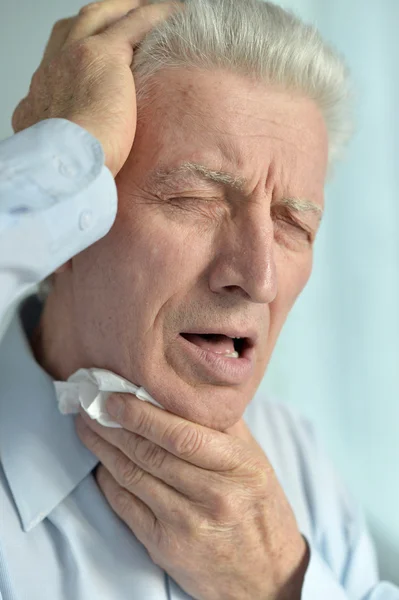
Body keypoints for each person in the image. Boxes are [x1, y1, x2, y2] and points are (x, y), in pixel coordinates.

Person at [0, 0, 398, 598]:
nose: (258, 278)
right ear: (76, 218)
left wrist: (282, 584)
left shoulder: (296, 456)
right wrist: (62, 154)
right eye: (194, 199)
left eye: (294, 223)